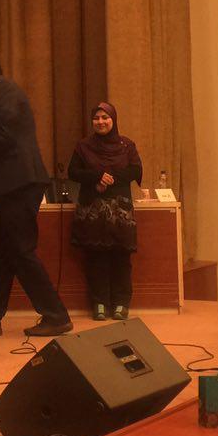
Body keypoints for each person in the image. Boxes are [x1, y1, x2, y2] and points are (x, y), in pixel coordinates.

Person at [0, 54, 72, 337]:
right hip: (13, 186)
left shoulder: (4, 92)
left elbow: (5, 136)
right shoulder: (6, 93)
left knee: (20, 250)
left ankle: (56, 315)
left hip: (17, 186)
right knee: (3, 254)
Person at [67, 103, 143, 321]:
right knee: (96, 258)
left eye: (105, 117)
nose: (100, 122)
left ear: (113, 119)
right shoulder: (83, 146)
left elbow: (135, 170)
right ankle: (99, 303)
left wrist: (109, 179)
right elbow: (73, 172)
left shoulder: (127, 145)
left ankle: (121, 303)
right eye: (96, 118)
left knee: (121, 257)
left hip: (120, 211)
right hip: (93, 210)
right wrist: (96, 177)